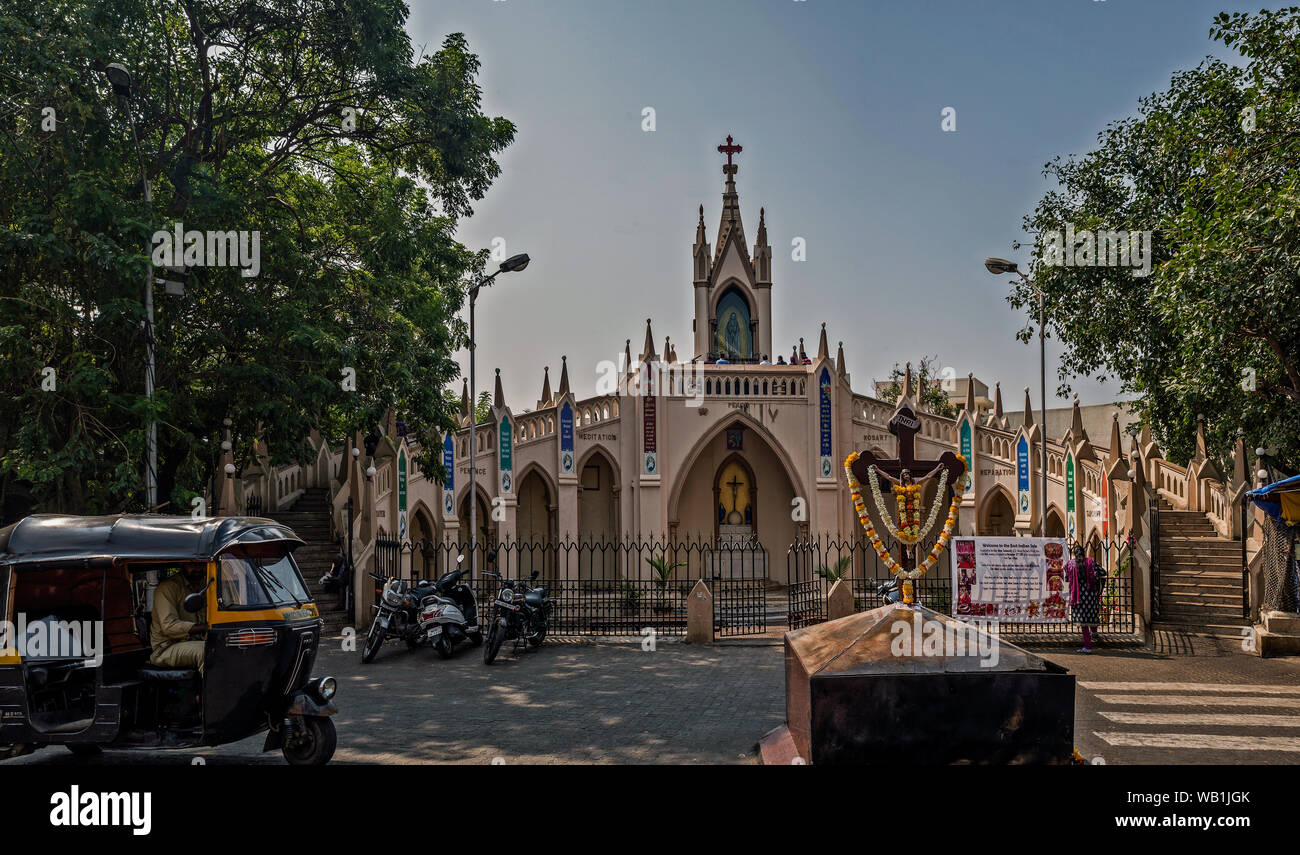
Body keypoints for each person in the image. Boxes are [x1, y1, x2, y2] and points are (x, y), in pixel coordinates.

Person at [149, 565, 207, 674]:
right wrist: (205, 627)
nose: (198, 568)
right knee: (207, 651)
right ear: (183, 564)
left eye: (201, 563)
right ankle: (215, 691)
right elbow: (169, 626)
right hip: (166, 648)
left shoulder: (206, 584)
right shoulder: (168, 587)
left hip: (195, 641)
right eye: (192, 564)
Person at [1065, 544, 1102, 653]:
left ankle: (1087, 646)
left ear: (1074, 554)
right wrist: (1094, 575)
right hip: (1090, 596)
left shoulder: (1070, 564)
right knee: (1090, 616)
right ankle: (1094, 633)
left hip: (1078, 596)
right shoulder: (1091, 562)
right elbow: (1103, 572)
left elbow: (1067, 578)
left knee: (1083, 622)